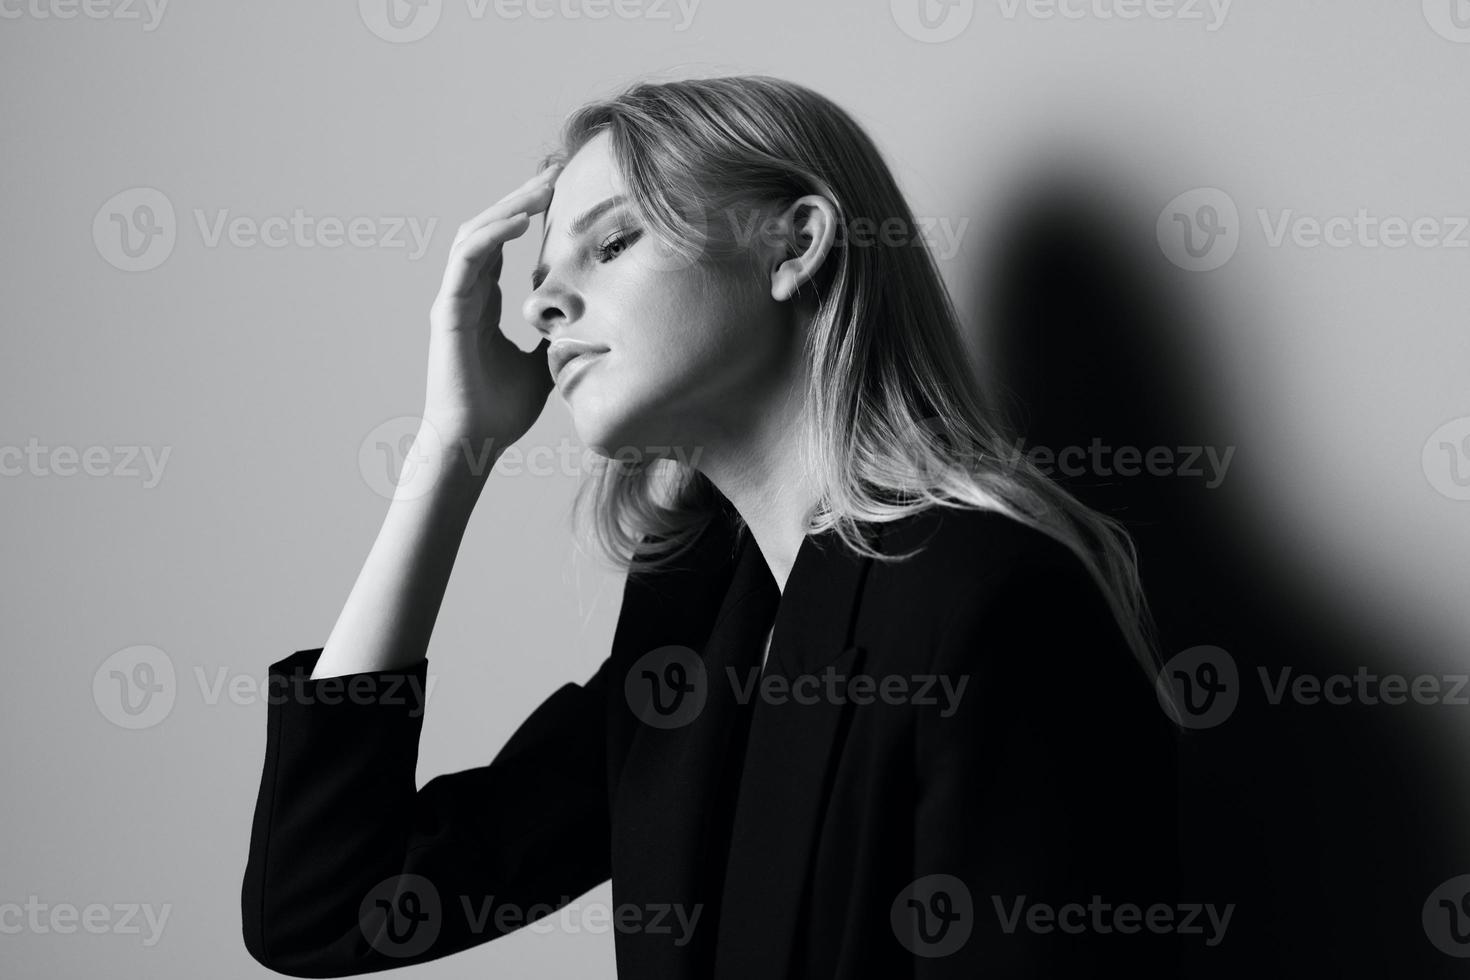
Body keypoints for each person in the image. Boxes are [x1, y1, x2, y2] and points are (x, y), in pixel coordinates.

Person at [241, 74, 1181, 979]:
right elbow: (325, 903)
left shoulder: (991, 601)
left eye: (611, 245)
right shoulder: (689, 635)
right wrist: (454, 447)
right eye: (541, 277)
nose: (539, 307)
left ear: (795, 244)